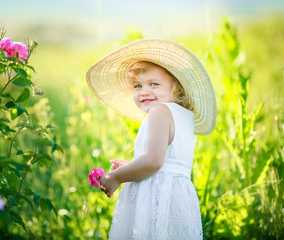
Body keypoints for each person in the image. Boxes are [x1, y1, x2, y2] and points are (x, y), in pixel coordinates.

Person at [86, 39, 216, 240]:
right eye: (137, 86)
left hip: (159, 199)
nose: (144, 91)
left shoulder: (159, 111)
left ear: (176, 88)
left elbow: (154, 162)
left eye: (154, 84)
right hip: (178, 199)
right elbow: (165, 164)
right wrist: (131, 167)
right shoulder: (182, 116)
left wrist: (116, 177)